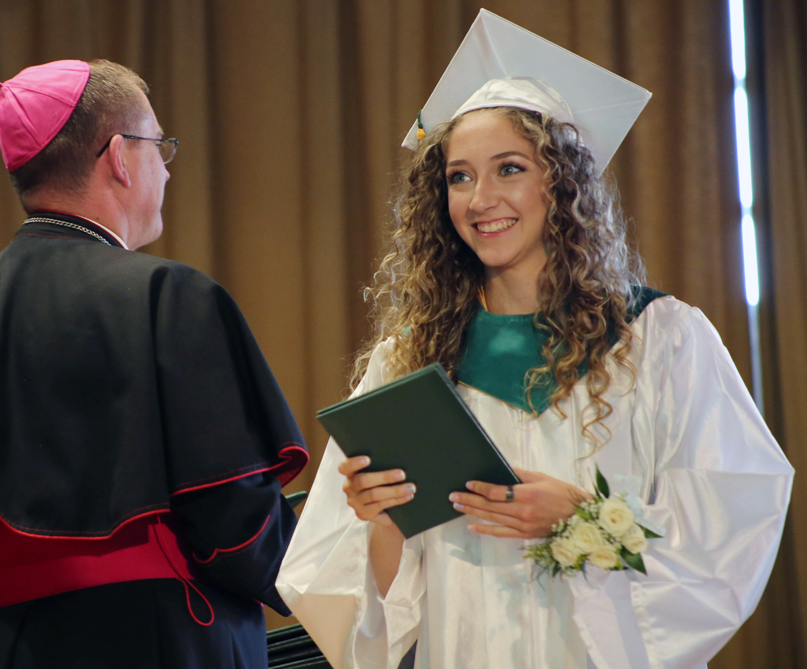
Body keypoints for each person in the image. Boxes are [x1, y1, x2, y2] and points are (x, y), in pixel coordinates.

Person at [276, 10, 793, 669]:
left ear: (561, 182)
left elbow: (731, 529)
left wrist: (581, 517)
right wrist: (380, 520)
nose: (480, 198)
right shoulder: (408, 360)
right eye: (460, 176)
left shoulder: (658, 339)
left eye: (509, 168)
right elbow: (356, 607)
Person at [0, 59, 307, 669]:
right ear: (118, 157)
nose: (166, 168)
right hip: (159, 639)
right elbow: (234, 525)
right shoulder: (167, 297)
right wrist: (324, 576)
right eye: (158, 146)